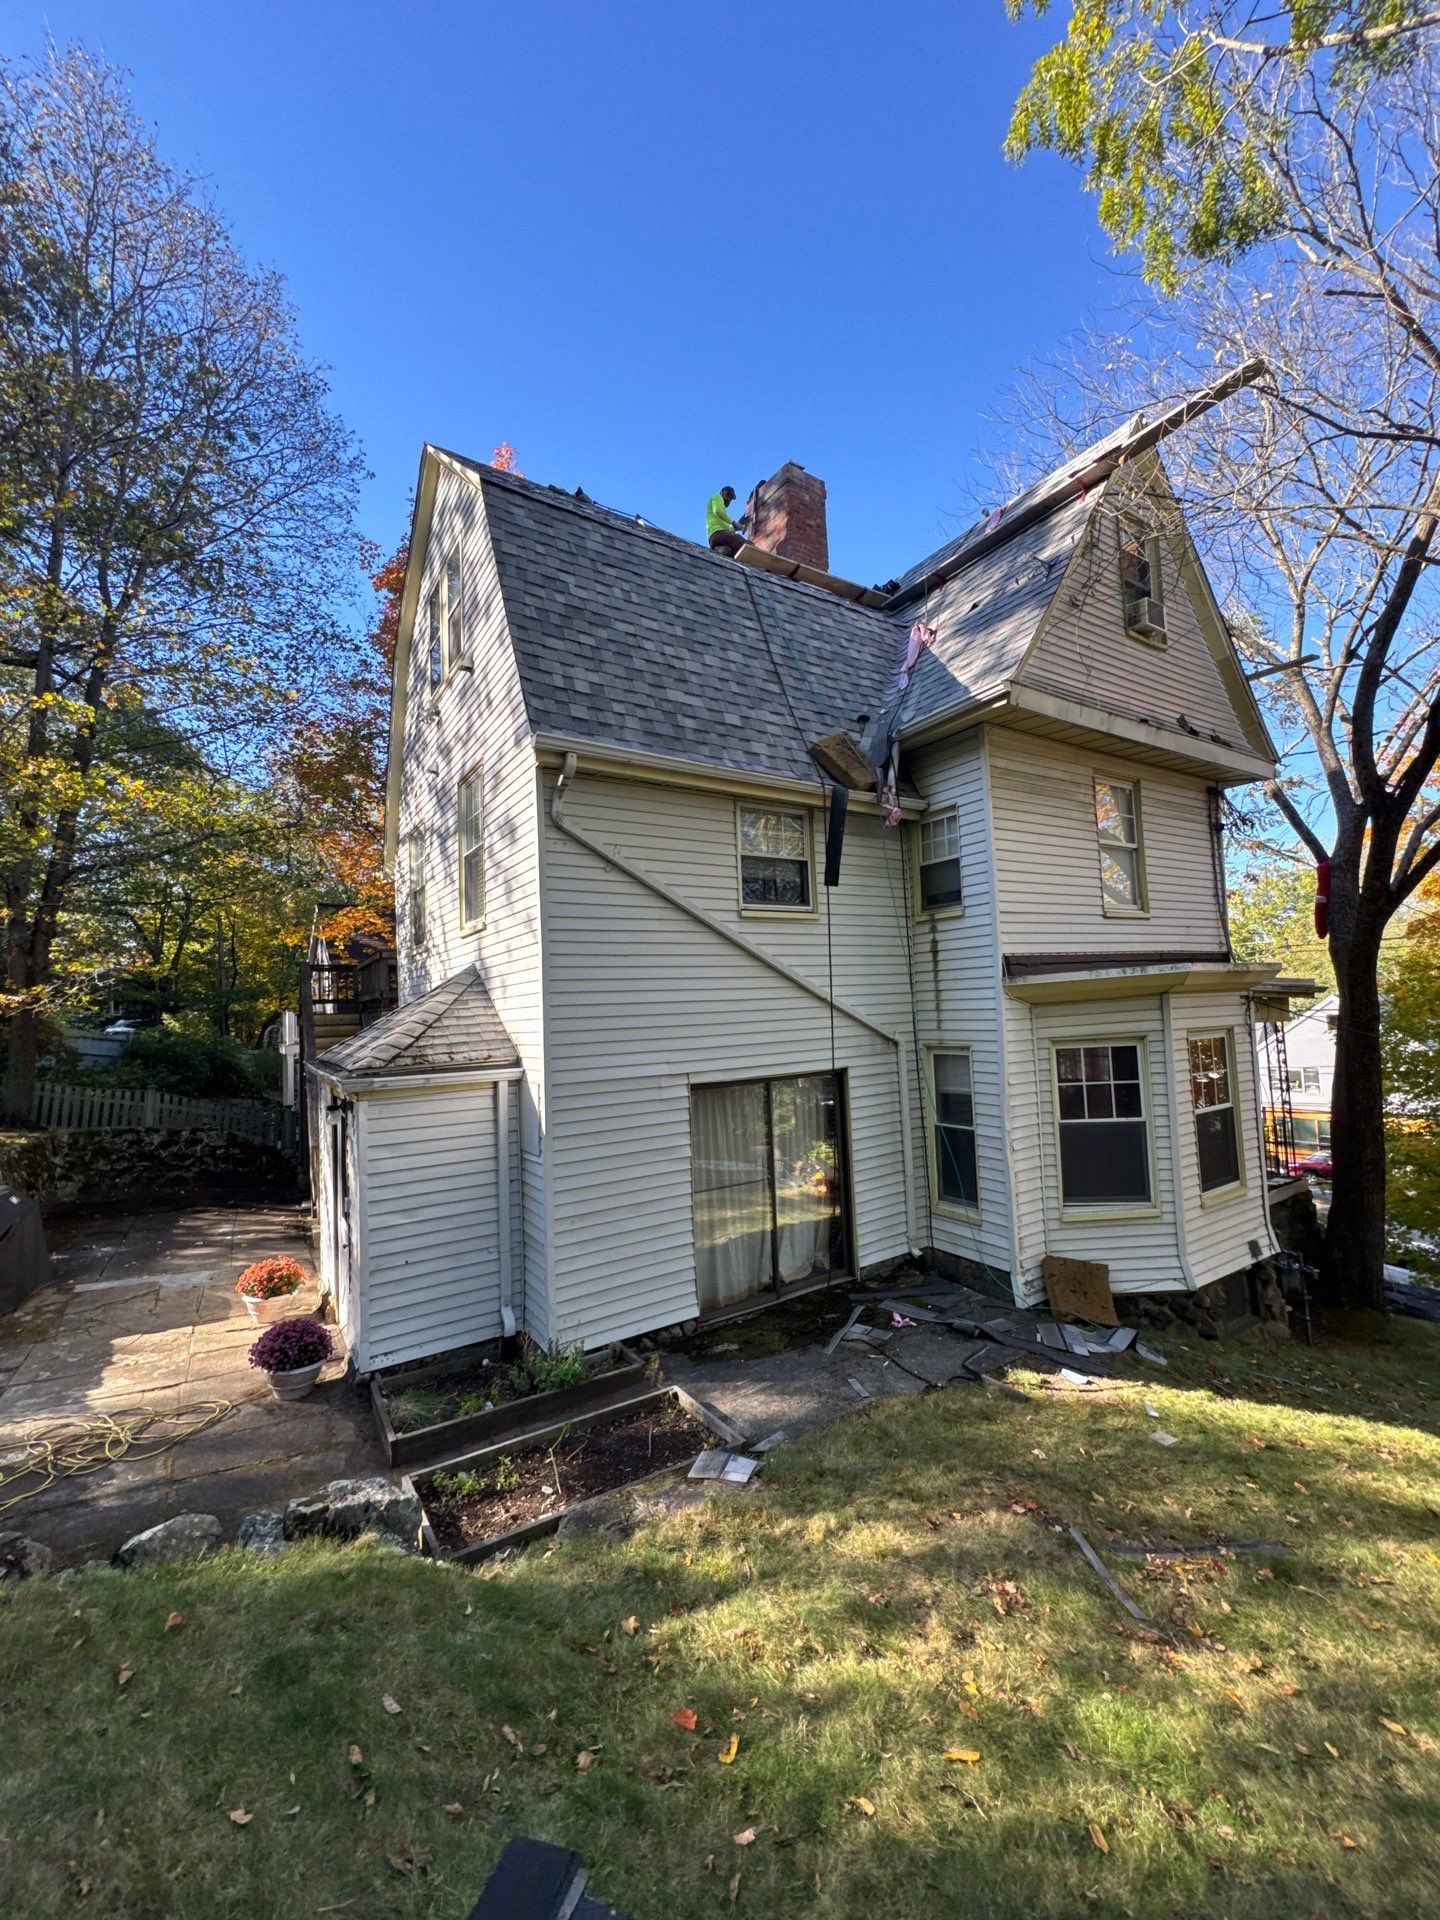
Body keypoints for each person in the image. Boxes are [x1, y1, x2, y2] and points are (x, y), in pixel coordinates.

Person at [706, 485, 747, 556]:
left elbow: (730, 531)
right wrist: (734, 523)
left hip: (714, 540)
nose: (728, 499)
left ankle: (719, 549)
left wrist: (738, 525)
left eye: (731, 498)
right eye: (727, 495)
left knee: (734, 553)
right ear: (721, 493)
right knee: (746, 545)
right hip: (718, 534)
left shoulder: (724, 516)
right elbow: (717, 511)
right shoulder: (717, 497)